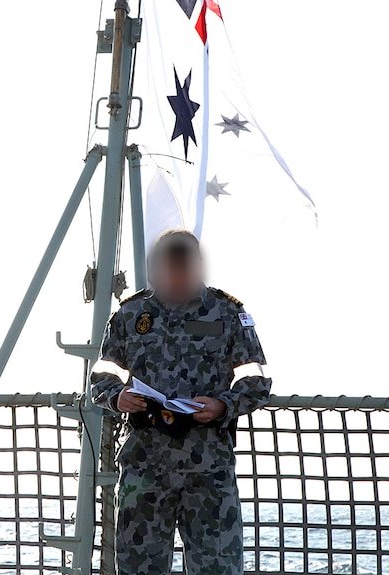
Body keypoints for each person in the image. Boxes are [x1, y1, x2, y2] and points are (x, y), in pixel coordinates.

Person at [90, 229, 271, 575]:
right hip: (145, 470)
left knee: (218, 568)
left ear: (199, 266)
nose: (177, 279)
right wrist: (119, 397)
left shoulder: (228, 313)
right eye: (170, 271)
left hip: (208, 473)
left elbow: (258, 381)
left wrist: (222, 406)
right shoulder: (131, 315)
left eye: (184, 271)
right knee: (137, 568)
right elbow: (101, 376)